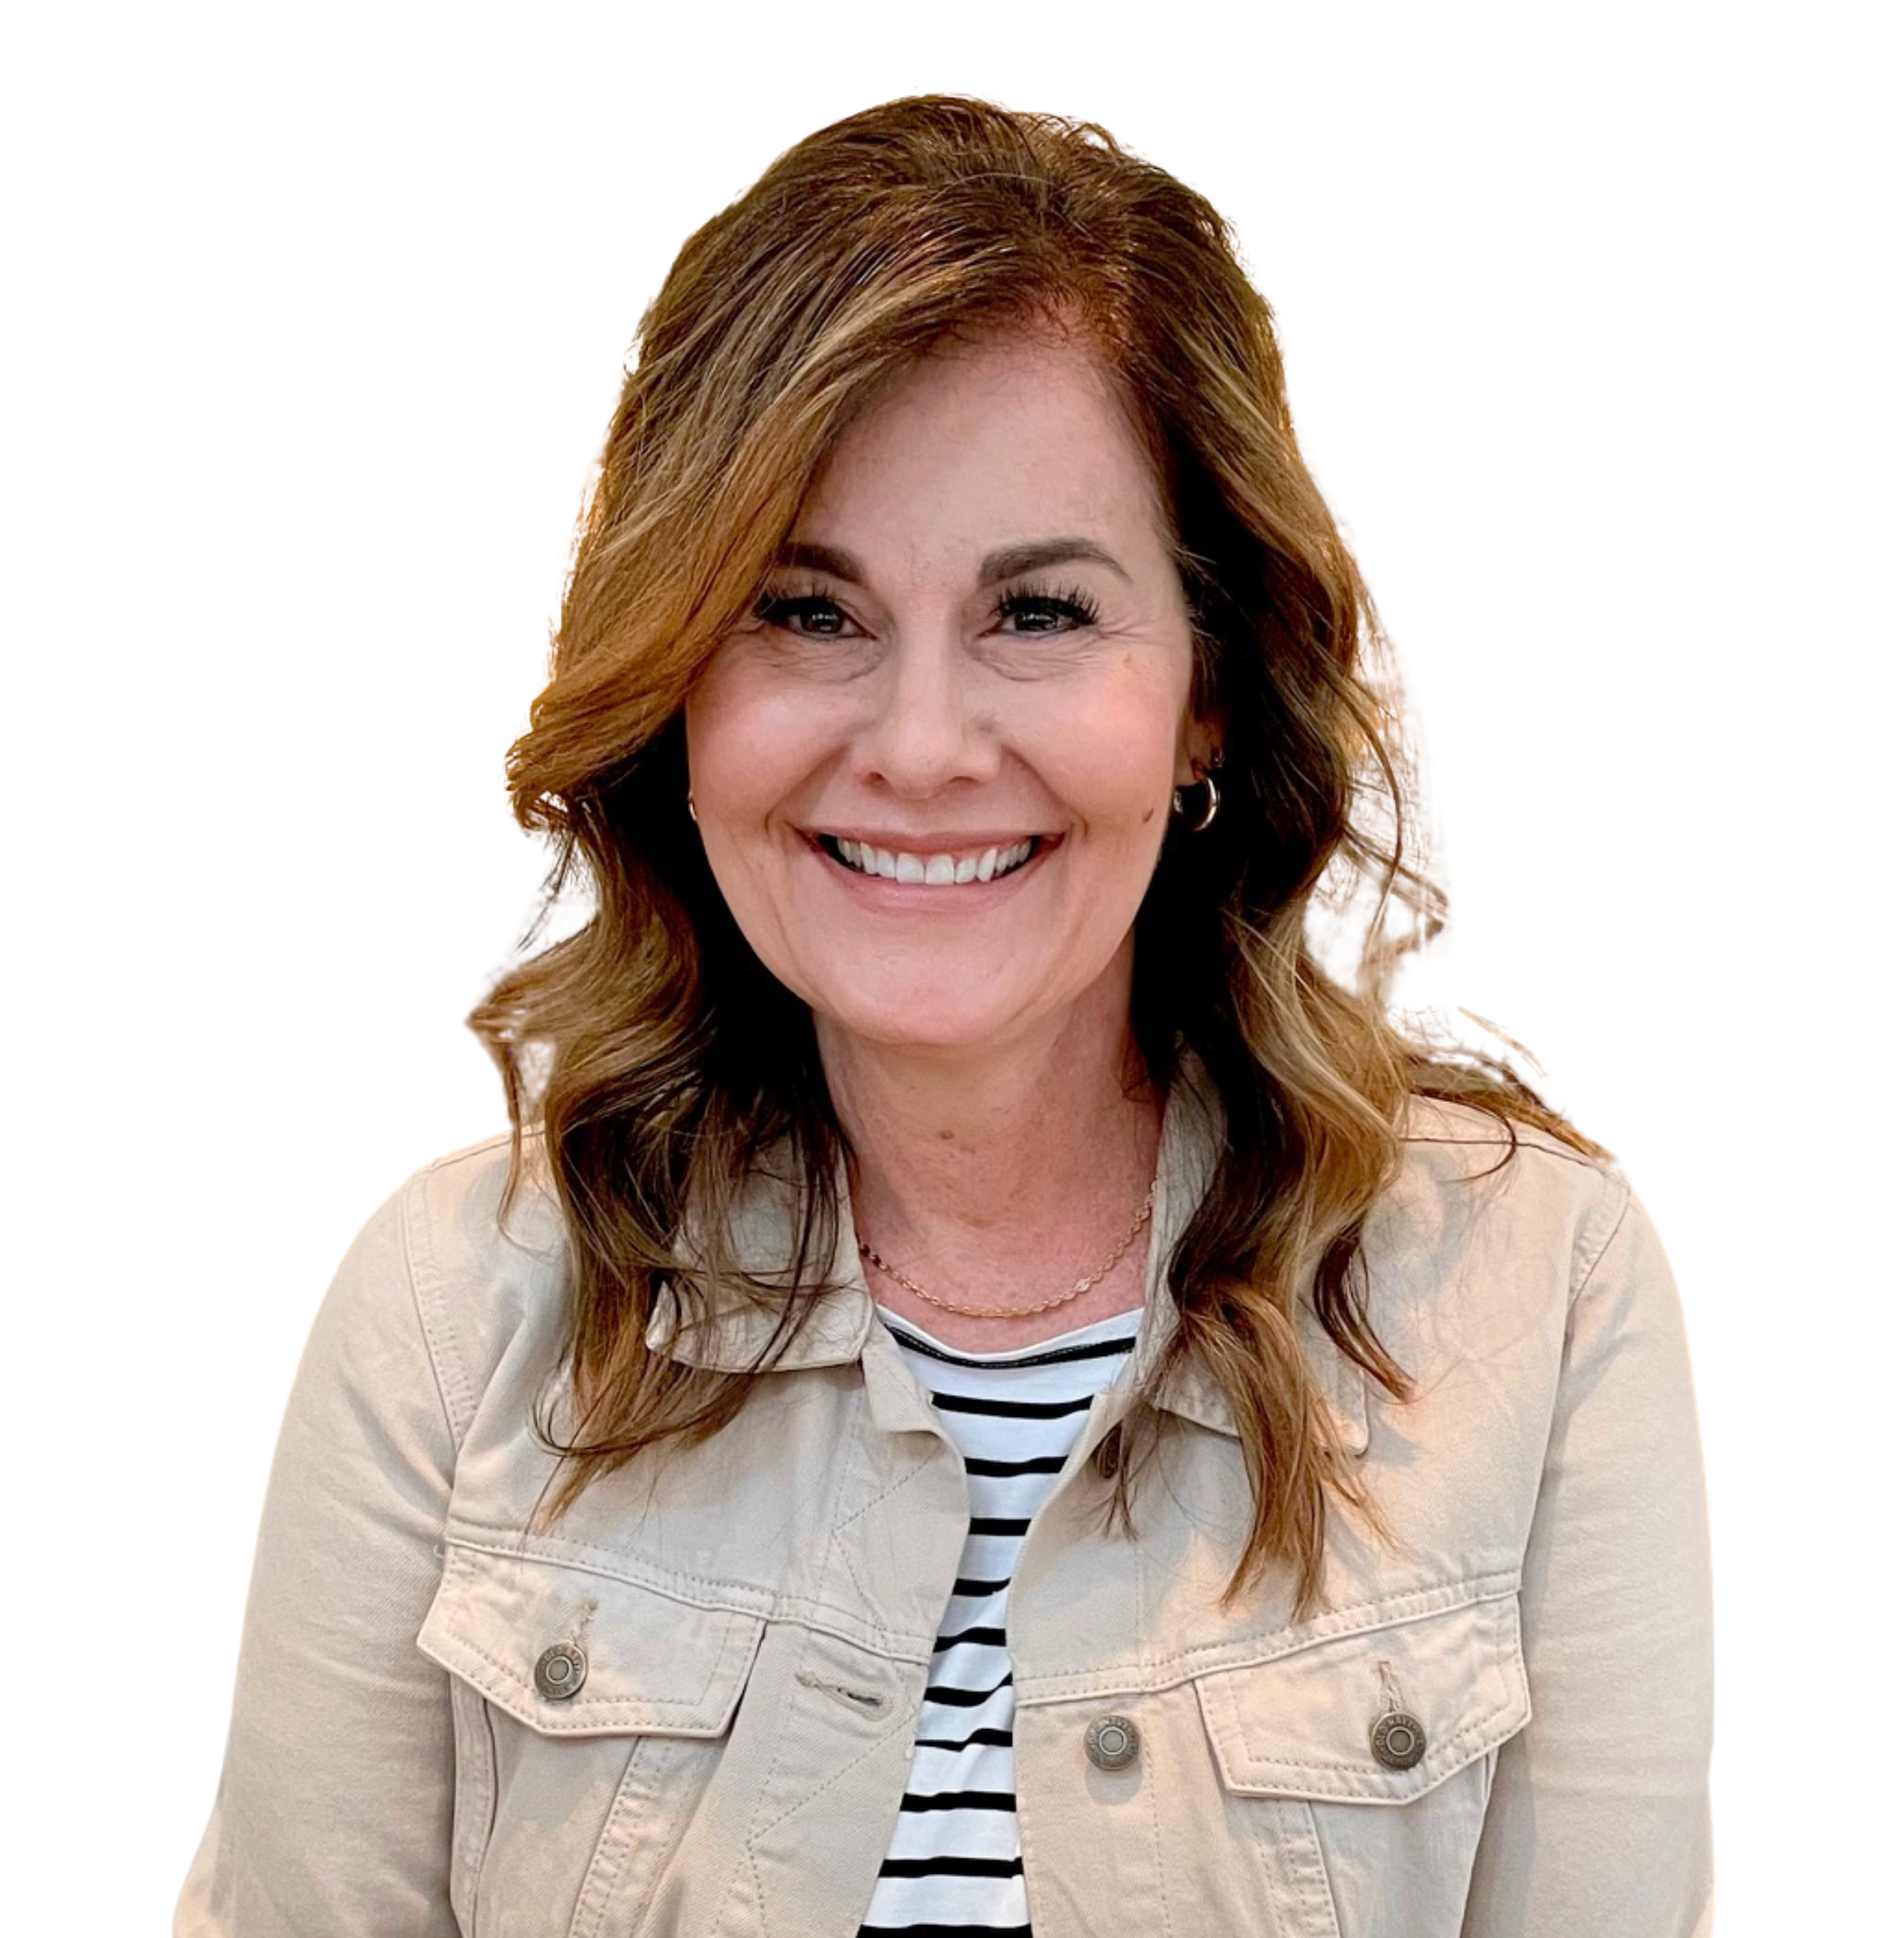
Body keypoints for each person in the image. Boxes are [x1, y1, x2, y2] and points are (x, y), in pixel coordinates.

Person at [175, 94, 1713, 1937]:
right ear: (678, 686)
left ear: (1206, 693)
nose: (913, 746)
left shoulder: (1529, 1300)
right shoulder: (454, 1319)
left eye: (1040, 613)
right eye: (806, 614)